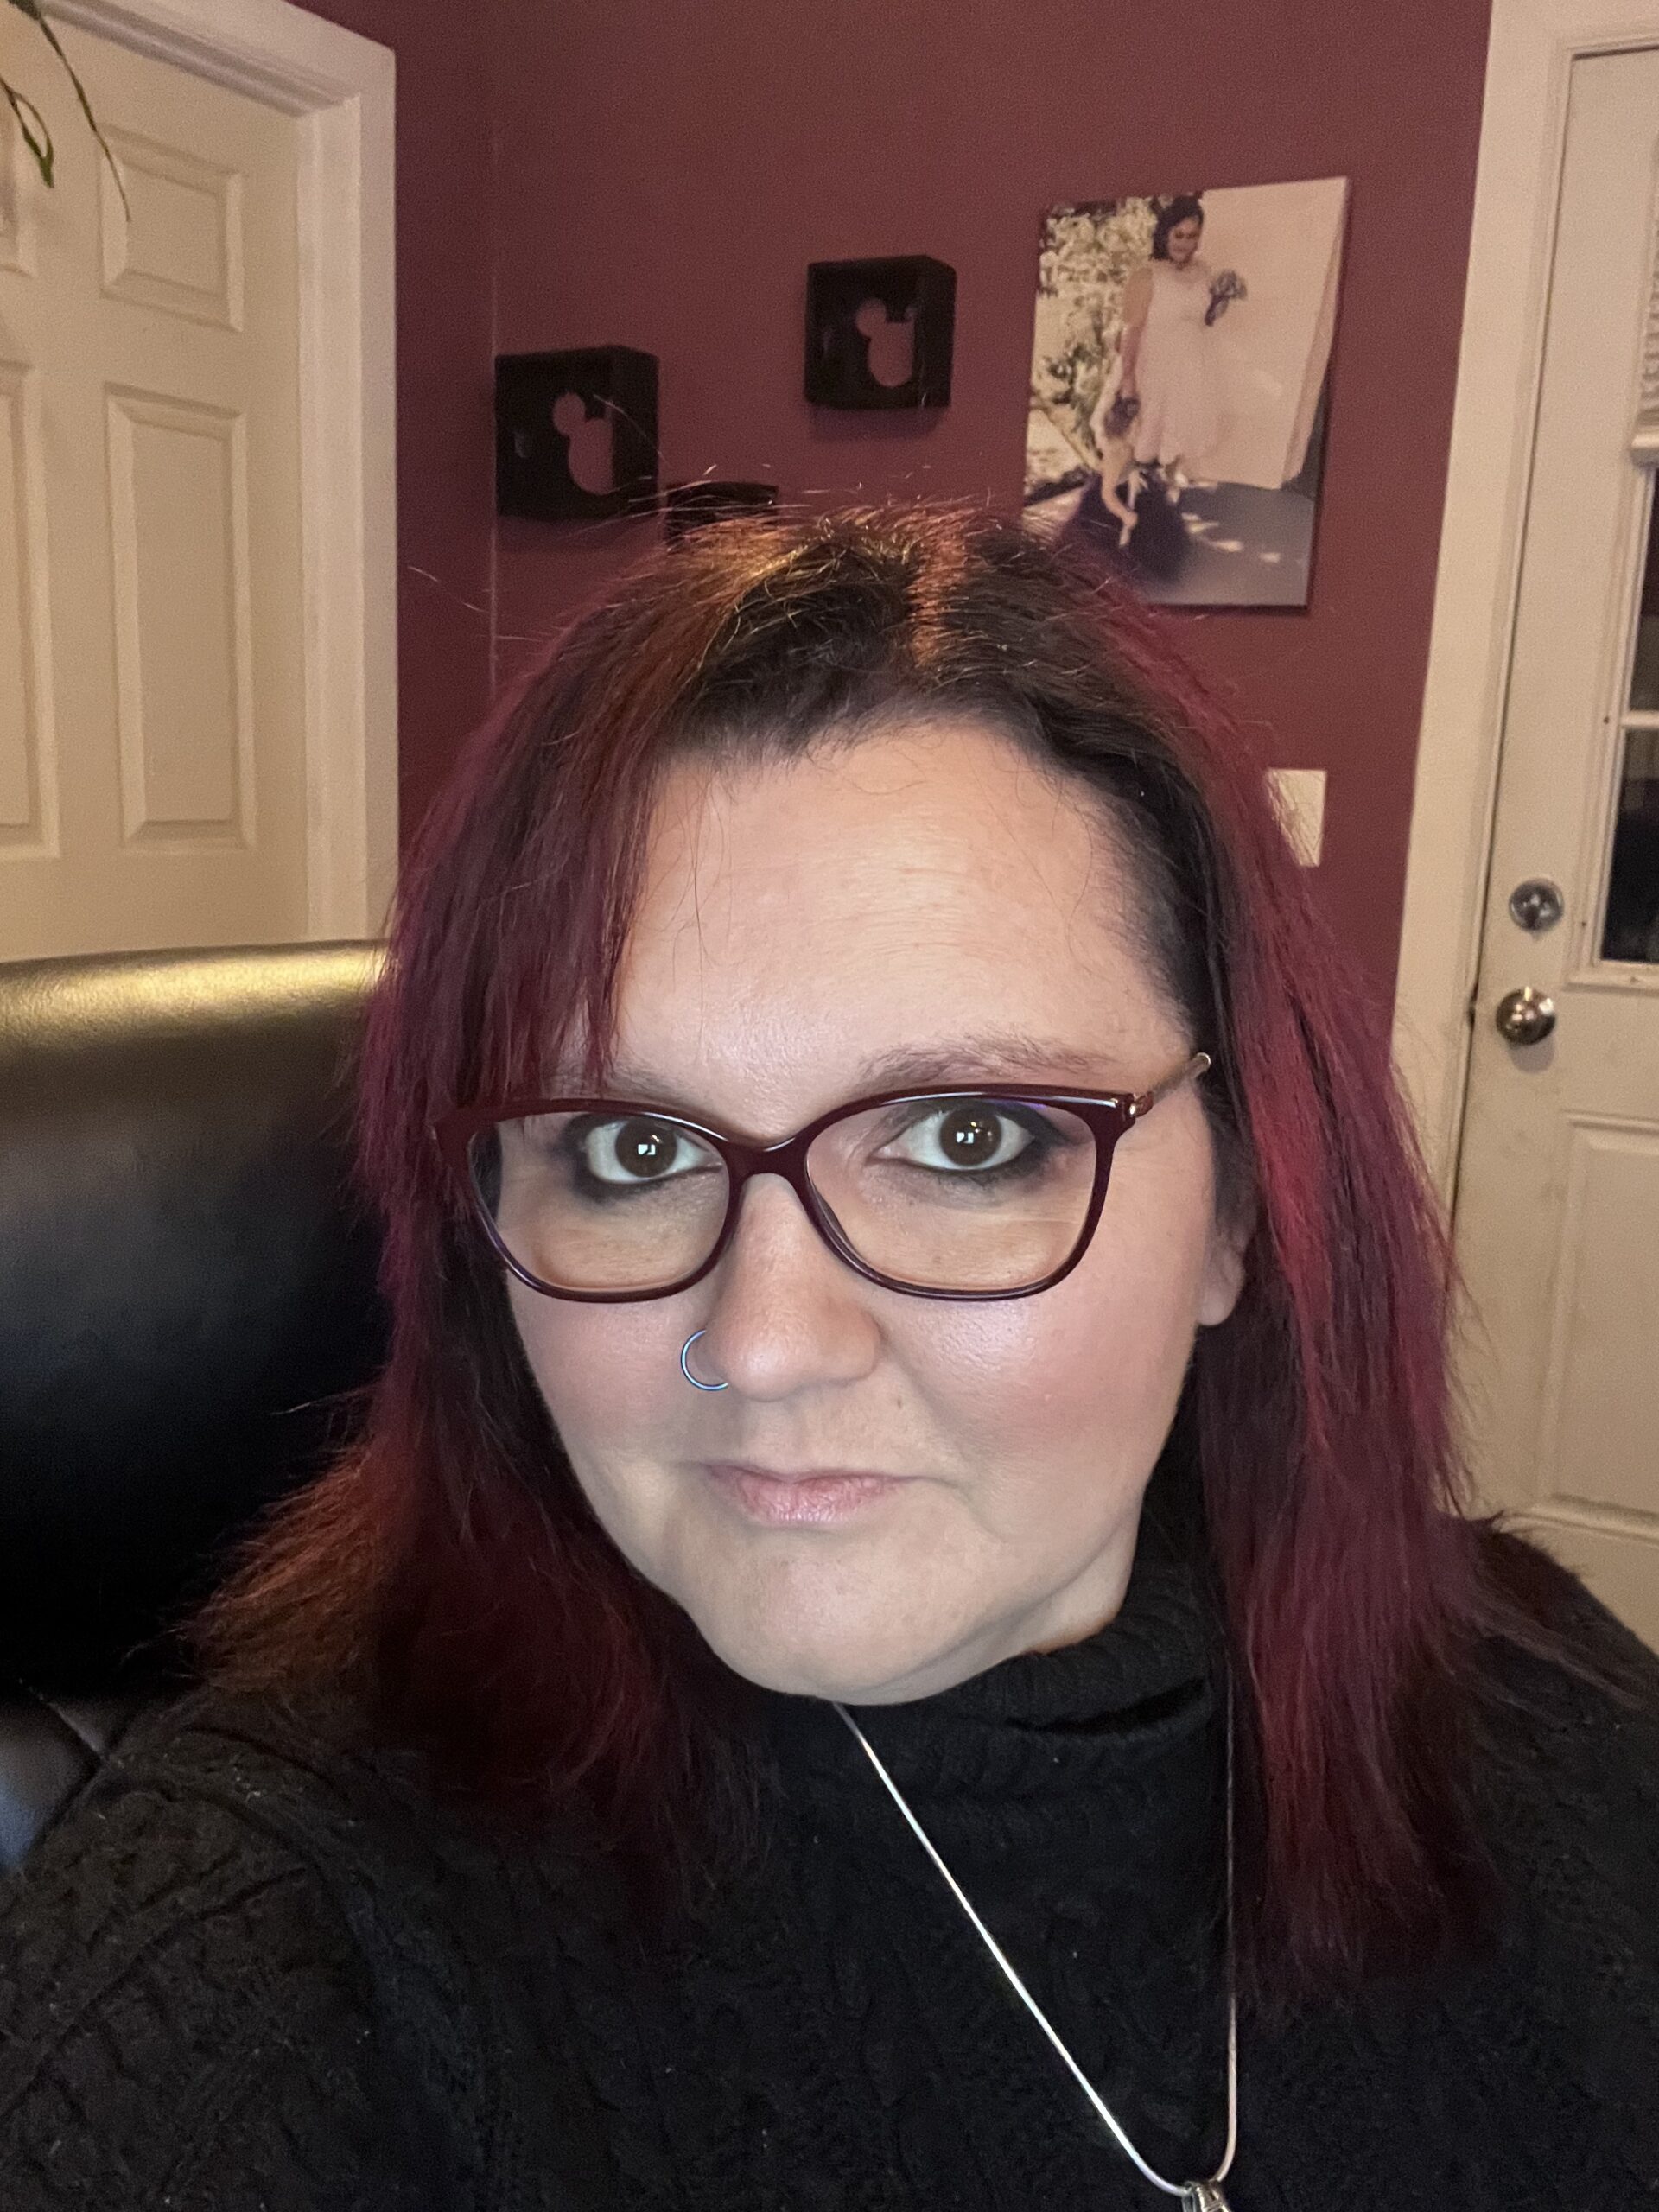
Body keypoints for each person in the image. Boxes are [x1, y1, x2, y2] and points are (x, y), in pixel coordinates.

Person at [2, 505, 1656, 2210]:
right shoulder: (267, 1937)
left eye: (964, 1137)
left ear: (1242, 1201)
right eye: (632, 1149)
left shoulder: (1538, 1707)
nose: (767, 1343)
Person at [1119, 195, 1225, 499]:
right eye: (1179, 235)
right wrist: (1128, 379)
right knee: (1144, 438)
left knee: (1179, 433)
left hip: (1191, 367)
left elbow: (1205, 320)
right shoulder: (1147, 275)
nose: (1185, 243)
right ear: (1165, 233)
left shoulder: (1204, 271)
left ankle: (1167, 494)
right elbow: (1131, 330)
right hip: (1155, 367)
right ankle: (1131, 504)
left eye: (1192, 236)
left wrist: (1221, 301)